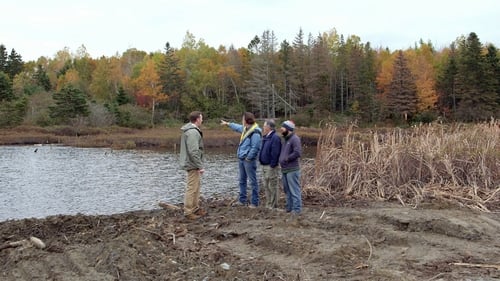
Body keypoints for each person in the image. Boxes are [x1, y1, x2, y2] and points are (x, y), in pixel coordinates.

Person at [221, 112, 262, 207]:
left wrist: (248, 158)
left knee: (252, 181)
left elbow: (255, 147)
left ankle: (254, 202)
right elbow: (237, 127)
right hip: (242, 159)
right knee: (242, 180)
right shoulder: (245, 129)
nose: (241, 120)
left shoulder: (255, 132)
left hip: (248, 160)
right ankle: (242, 200)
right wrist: (227, 124)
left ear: (246, 120)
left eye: (243, 118)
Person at [179, 111, 205, 220]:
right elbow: (193, 151)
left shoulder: (190, 131)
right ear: (197, 119)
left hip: (192, 163)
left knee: (196, 186)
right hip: (192, 164)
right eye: (201, 118)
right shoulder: (193, 132)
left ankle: (195, 208)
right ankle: (188, 211)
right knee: (192, 188)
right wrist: (200, 165)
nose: (202, 120)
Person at [279, 120, 302, 214]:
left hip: (292, 169)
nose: (281, 129)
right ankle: (289, 208)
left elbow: (298, 152)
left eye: (283, 127)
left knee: (294, 189)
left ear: (288, 129)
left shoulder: (294, 139)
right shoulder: (285, 139)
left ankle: (297, 209)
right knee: (287, 190)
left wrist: (287, 159)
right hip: (284, 169)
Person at [258, 119, 282, 209]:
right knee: (266, 186)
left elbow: (275, 153)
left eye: (264, 126)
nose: (263, 127)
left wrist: (273, 165)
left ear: (268, 127)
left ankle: (273, 205)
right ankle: (268, 204)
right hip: (264, 165)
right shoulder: (266, 137)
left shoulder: (275, 137)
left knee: (272, 186)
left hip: (270, 166)